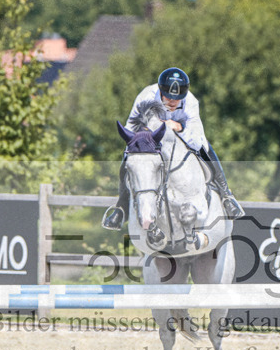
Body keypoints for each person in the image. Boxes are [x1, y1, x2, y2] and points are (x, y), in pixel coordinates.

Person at [102, 67, 244, 230]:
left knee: (206, 148)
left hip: (181, 137)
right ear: (161, 91)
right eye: (168, 96)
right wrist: (149, 131)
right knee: (130, 156)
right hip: (151, 139)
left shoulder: (190, 102)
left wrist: (180, 128)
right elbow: (131, 130)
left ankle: (226, 196)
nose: (171, 101)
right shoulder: (146, 97)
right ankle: (121, 207)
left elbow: (198, 140)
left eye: (176, 98)